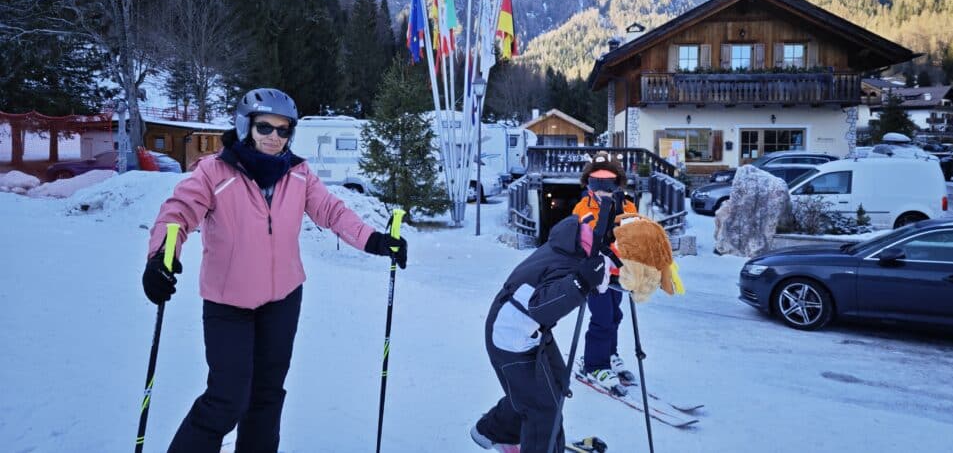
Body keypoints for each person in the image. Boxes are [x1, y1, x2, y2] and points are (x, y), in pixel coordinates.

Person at [141, 88, 408, 453]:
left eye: (283, 131)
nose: (274, 138)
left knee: (267, 397)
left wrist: (374, 240)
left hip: (282, 301)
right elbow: (178, 213)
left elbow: (331, 211)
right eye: (265, 128)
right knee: (227, 398)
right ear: (245, 126)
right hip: (227, 303)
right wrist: (160, 257)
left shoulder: (297, 173)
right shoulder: (215, 171)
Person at [471, 210, 613, 453]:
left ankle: (493, 430)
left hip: (528, 331)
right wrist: (580, 282)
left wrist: (589, 277)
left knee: (553, 385)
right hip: (510, 336)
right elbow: (542, 307)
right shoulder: (567, 262)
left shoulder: (567, 245)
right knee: (543, 407)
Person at [572, 152, 637, 396]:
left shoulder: (628, 205)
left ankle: (609, 354)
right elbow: (587, 236)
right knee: (601, 318)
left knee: (615, 316)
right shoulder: (583, 207)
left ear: (617, 183)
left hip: (619, 273)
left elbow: (633, 235)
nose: (601, 189)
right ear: (588, 183)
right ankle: (594, 364)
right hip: (596, 274)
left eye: (607, 183)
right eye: (595, 183)